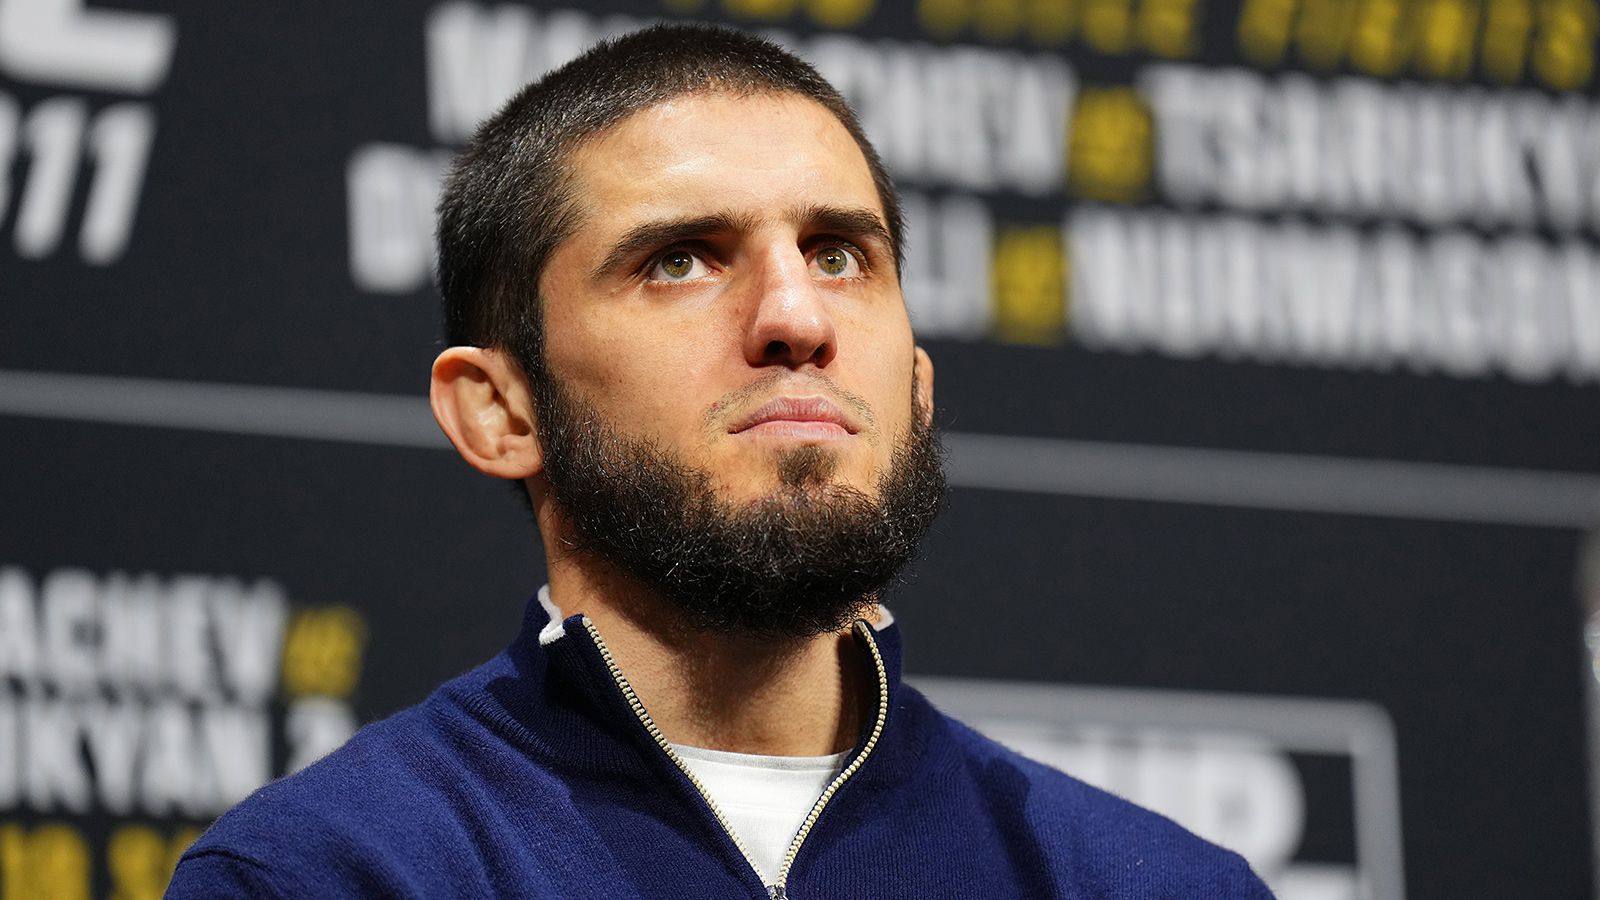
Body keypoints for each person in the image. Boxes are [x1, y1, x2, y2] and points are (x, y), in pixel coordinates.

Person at [167, 23, 1274, 899]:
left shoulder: (1153, 885)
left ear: (918, 387)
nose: (797, 318)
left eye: (838, 255)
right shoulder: (330, 875)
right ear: (501, 411)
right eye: (681, 260)